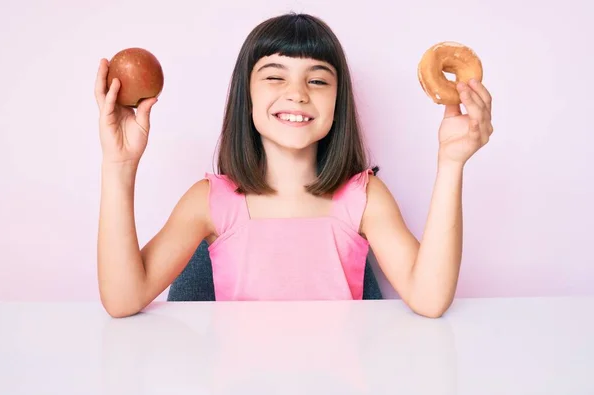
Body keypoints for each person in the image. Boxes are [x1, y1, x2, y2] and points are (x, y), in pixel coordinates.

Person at [94, 13, 493, 319]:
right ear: (245, 95)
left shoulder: (364, 197)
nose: (297, 94)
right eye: (274, 76)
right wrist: (120, 164)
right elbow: (123, 299)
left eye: (318, 81)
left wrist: (451, 163)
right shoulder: (209, 201)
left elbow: (430, 298)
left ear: (339, 101)